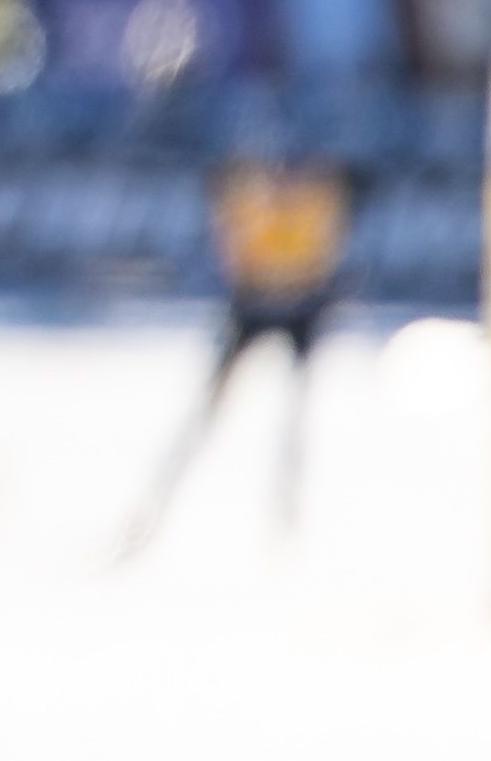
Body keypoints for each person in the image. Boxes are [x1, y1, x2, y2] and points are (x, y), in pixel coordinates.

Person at [119, 134, 353, 560]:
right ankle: (160, 509)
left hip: (290, 308)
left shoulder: (309, 203)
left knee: (289, 426)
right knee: (213, 417)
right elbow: (242, 256)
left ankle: (285, 524)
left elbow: (316, 261)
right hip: (258, 306)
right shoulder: (254, 203)